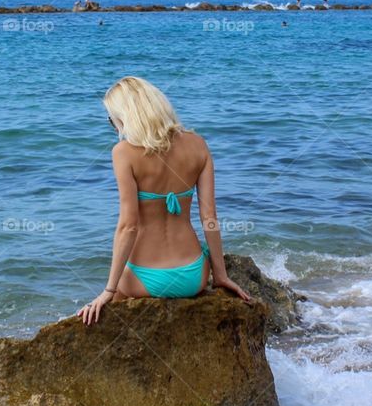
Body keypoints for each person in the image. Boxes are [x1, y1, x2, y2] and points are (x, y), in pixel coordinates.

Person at [78, 76, 251, 325]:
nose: (114, 126)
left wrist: (109, 290)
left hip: (145, 278)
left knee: (113, 310)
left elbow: (128, 225)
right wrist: (220, 275)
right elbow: (209, 217)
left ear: (126, 116)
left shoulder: (123, 153)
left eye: (112, 119)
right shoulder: (198, 145)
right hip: (194, 275)